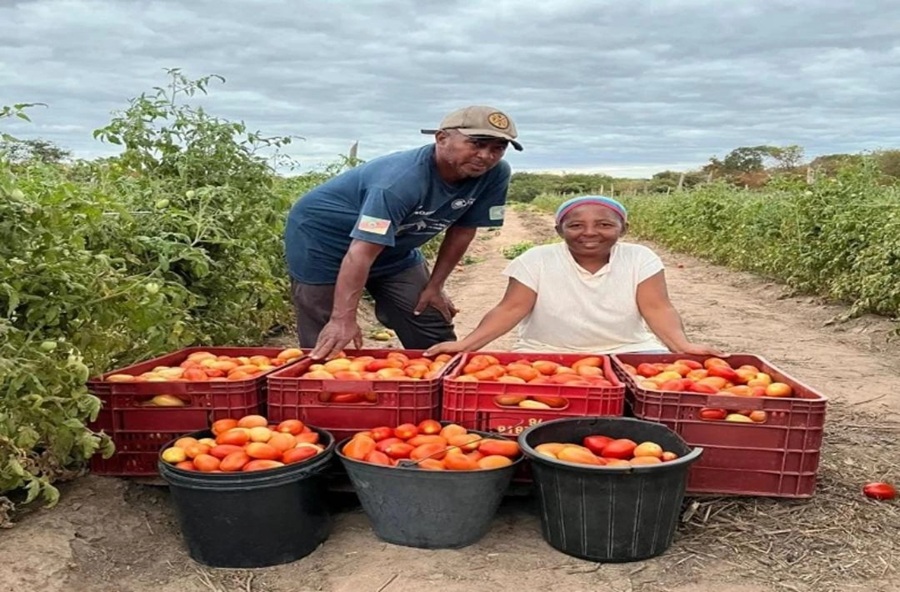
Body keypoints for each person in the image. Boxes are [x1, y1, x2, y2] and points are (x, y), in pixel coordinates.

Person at [283, 105, 523, 360]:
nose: (486, 155)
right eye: (476, 143)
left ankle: (438, 383)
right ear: (441, 138)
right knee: (329, 335)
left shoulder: (494, 174)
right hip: (324, 244)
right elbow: (360, 252)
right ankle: (327, 388)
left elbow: (463, 230)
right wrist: (343, 317)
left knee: (427, 314)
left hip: (394, 247)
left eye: (497, 147)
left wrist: (435, 285)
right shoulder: (399, 181)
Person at [424, 195, 724, 357]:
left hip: (630, 351)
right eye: (576, 225)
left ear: (624, 229)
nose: (590, 232)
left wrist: (681, 346)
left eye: (605, 225)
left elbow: (657, 307)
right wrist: (467, 345)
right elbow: (510, 308)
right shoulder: (536, 259)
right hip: (545, 353)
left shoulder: (639, 258)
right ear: (558, 231)